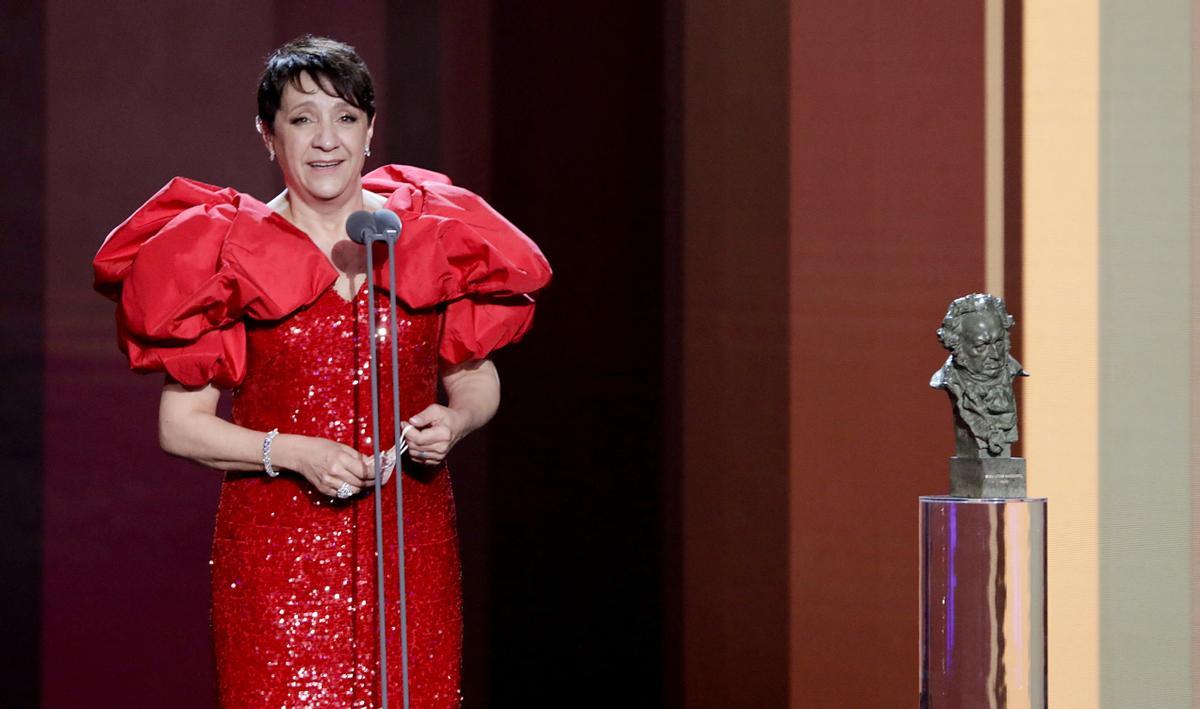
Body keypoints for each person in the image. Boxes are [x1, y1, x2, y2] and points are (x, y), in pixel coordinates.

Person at [92, 35, 551, 707]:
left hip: (409, 550)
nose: (326, 138)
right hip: (277, 560)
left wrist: (454, 420)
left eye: (345, 116)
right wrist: (291, 452)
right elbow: (181, 426)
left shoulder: (425, 235)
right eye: (302, 118)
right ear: (267, 134)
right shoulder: (226, 253)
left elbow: (478, 379)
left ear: (370, 130)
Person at [929, 294, 1027, 458]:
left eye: (999, 342)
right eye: (982, 346)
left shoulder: (1010, 370)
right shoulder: (949, 379)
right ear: (957, 345)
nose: (995, 354)